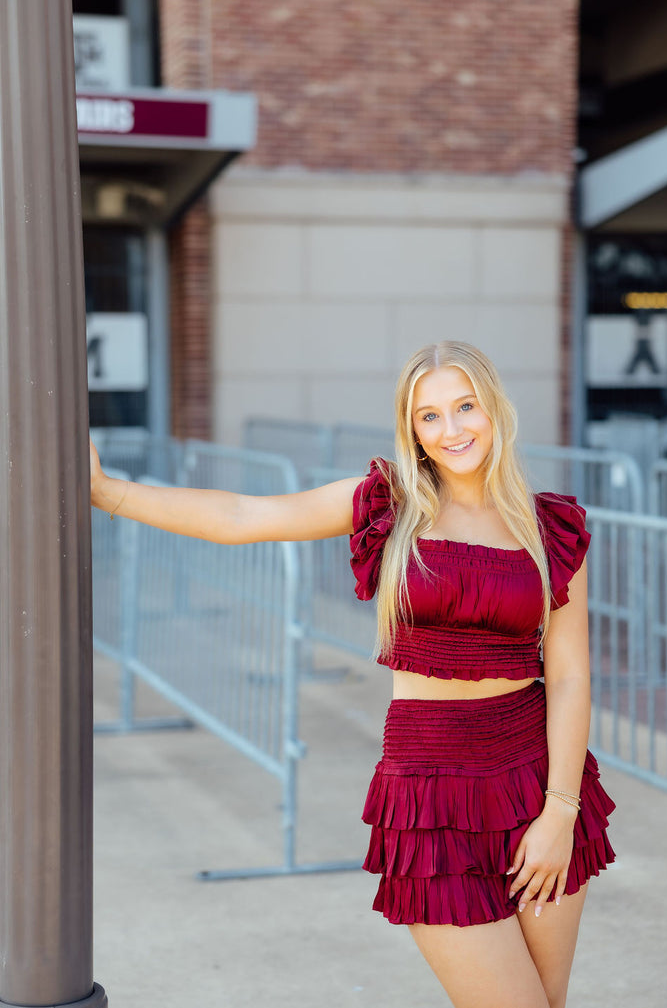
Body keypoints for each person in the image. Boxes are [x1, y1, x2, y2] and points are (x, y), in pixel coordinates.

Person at [90, 340, 615, 1008]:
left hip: (538, 783)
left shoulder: (552, 528)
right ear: (411, 428)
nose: (451, 430)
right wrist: (110, 493)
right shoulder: (389, 505)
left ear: (494, 410)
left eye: (465, 406)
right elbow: (244, 516)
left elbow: (569, 677)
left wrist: (560, 813)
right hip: (429, 796)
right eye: (430, 416)